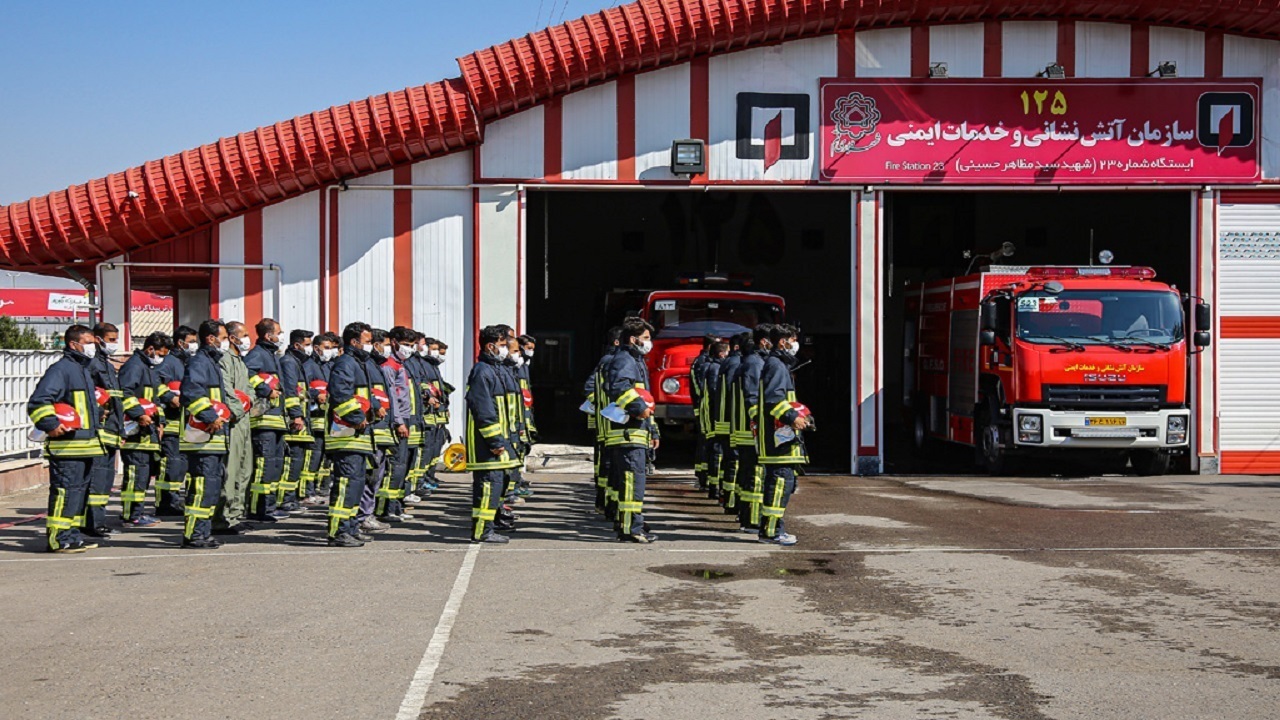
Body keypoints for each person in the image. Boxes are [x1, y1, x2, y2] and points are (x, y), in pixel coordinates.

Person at [27, 325, 107, 553]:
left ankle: (72, 536)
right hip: (67, 448)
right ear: (74, 344)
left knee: (77, 495)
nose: (94, 347)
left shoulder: (83, 370)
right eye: (89, 342)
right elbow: (39, 401)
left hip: (85, 447)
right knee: (65, 493)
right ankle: (58, 539)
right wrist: (51, 425)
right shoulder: (61, 369)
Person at [324, 322, 382, 547]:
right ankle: (338, 532)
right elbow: (341, 394)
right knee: (346, 486)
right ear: (354, 342)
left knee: (356, 486)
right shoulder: (346, 363)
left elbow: (363, 393)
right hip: (345, 435)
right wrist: (358, 419)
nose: (370, 346)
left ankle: (351, 527)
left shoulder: (359, 363)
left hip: (358, 438)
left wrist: (376, 405)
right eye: (367, 342)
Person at [604, 317, 660, 543]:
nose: (649, 343)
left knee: (629, 484)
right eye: (646, 338)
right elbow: (620, 389)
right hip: (628, 433)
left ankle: (630, 523)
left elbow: (647, 400)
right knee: (631, 485)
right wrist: (638, 409)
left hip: (637, 432)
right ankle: (631, 529)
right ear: (633, 339)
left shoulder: (636, 361)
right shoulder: (625, 360)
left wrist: (653, 430)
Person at [465, 326, 522, 543]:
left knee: (497, 488)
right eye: (502, 346)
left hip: (501, 444)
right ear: (491, 346)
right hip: (488, 446)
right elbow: (484, 410)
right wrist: (495, 440)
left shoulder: (498, 370)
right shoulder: (482, 371)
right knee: (488, 489)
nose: (506, 350)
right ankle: (482, 531)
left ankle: (491, 526)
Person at [179, 320, 231, 549]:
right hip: (201, 438)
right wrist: (210, 417)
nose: (226, 342)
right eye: (225, 337)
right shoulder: (200, 362)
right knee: (201, 487)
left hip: (213, 438)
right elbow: (192, 392)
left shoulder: (211, 363)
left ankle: (202, 531)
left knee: (210, 487)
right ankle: (194, 535)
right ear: (211, 338)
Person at [757, 324, 809, 546]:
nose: (796, 344)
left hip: (781, 437)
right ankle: (771, 532)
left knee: (781, 484)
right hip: (779, 440)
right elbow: (773, 401)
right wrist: (792, 417)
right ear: (783, 341)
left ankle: (773, 530)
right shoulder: (777, 366)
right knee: (779, 485)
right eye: (793, 340)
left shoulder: (778, 365)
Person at [117, 332, 171, 528]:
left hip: (148, 432)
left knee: (143, 476)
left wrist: (161, 421)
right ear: (150, 349)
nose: (161, 359)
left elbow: (155, 398)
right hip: (135, 432)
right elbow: (125, 393)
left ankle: (137, 512)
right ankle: (131, 515)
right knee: (135, 476)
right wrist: (138, 414)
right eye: (160, 354)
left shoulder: (148, 368)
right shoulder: (134, 367)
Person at [243, 318, 291, 523]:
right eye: (278, 332)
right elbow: (248, 374)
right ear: (267, 335)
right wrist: (265, 389)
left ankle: (268, 507)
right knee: (263, 466)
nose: (281, 336)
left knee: (274, 466)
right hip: (263, 422)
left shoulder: (271, 355)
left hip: (276, 420)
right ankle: (257, 509)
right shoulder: (257, 354)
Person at [214, 321, 256, 535]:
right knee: (230, 470)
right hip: (233, 421)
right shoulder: (224, 360)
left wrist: (249, 401)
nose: (248, 339)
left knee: (244, 468)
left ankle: (236, 514)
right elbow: (227, 391)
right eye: (245, 335)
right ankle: (223, 518)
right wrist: (238, 409)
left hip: (244, 420)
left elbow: (248, 389)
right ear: (232, 337)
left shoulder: (240, 361)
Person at [84, 322, 124, 537]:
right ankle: (93, 523)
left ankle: (98, 520)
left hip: (111, 431)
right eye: (110, 340)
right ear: (98, 339)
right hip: (99, 431)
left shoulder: (106, 364)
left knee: (106, 479)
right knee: (98, 479)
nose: (114, 344)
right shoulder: (92, 365)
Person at [733, 324, 774, 533]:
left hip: (751, 429)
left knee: (752, 473)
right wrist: (759, 423)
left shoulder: (756, 361)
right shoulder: (754, 363)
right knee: (755, 475)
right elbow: (752, 397)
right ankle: (751, 519)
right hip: (752, 431)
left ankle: (750, 516)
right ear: (763, 341)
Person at [374, 326, 418, 522]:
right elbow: (392, 397)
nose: (410, 349)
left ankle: (396, 505)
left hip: (406, 418)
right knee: (395, 466)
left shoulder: (401, 364)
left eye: (412, 345)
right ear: (394, 342)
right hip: (396, 421)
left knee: (403, 466)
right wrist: (399, 422)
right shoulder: (388, 366)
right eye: (407, 345)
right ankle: (385, 508)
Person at [154, 325, 196, 516]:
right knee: (171, 465)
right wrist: (170, 397)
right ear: (181, 343)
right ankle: (165, 503)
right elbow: (157, 384)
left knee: (183, 466)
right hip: (172, 423)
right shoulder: (168, 362)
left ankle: (177, 500)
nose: (194, 345)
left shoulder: (188, 362)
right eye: (192, 341)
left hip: (186, 424)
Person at [357, 329, 394, 535]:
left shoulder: (377, 366)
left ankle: (366, 513)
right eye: (383, 344)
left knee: (377, 474)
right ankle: (363, 515)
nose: (385, 348)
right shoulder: (367, 366)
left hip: (382, 429)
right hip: (373, 429)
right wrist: (374, 404)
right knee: (369, 475)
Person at [584, 327, 622, 515]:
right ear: (617, 342)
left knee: (608, 467)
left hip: (608, 425)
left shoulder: (617, 361)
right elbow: (590, 388)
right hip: (608, 425)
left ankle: (606, 504)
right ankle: (605, 504)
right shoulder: (610, 362)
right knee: (607, 467)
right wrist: (601, 405)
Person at [279, 329, 317, 513]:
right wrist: (296, 415)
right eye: (308, 344)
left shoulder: (297, 362)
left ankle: (292, 498)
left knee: (297, 463)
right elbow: (290, 391)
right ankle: (286, 500)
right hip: (294, 422)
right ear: (297, 345)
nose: (309, 349)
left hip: (302, 419)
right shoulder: (288, 362)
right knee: (291, 463)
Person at [300, 332, 335, 505]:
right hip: (314, 419)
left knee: (326, 460)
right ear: (316, 348)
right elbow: (301, 389)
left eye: (332, 348)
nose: (330, 352)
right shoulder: (308, 365)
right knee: (313, 457)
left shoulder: (329, 366)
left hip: (328, 420)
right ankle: (307, 490)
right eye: (326, 348)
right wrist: (315, 395)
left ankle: (323, 488)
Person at [718, 333, 747, 512]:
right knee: (734, 462)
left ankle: (728, 499)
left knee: (729, 461)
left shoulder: (728, 363)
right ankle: (730, 502)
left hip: (727, 420)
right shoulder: (736, 364)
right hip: (734, 422)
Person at [698, 341, 730, 501]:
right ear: (722, 354)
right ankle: (714, 487)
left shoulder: (713, 367)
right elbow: (714, 391)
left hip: (713, 413)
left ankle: (714, 486)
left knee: (715, 450)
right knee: (716, 450)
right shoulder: (715, 368)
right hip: (714, 414)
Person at [689, 334, 717, 490]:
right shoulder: (703, 363)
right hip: (704, 407)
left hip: (702, 406)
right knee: (705, 441)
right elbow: (702, 388)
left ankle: (702, 473)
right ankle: (703, 476)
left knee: (704, 441)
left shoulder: (701, 362)